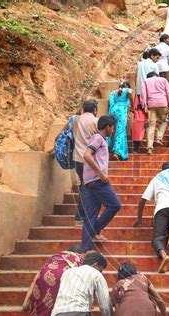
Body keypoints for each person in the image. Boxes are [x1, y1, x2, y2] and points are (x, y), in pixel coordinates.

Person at [134, 162, 169, 273]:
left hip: (162, 208)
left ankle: (164, 256)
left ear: (162, 170)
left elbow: (142, 200)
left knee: (157, 237)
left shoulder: (157, 179)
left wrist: (139, 219)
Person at [81, 115, 122, 252]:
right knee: (115, 204)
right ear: (108, 127)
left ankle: (85, 248)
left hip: (90, 181)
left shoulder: (99, 139)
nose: (113, 130)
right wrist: (100, 173)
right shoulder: (98, 138)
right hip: (97, 180)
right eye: (112, 127)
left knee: (91, 214)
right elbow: (87, 155)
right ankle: (95, 230)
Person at [22, 246, 84, 315]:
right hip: (61, 277)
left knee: (41, 304)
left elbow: (35, 279)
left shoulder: (56, 256)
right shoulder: (79, 258)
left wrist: (26, 301)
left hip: (44, 274)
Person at [71, 100, 98, 226]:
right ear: (95, 110)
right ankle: (80, 217)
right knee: (86, 187)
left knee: (84, 184)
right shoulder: (95, 121)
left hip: (76, 157)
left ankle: (84, 215)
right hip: (88, 159)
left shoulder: (76, 120)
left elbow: (71, 133)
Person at [140, 72, 169, 155]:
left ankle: (149, 147)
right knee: (164, 121)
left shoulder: (145, 81)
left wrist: (144, 106)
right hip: (163, 103)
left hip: (151, 105)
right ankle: (158, 138)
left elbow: (143, 94)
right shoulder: (163, 80)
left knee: (150, 126)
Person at [108, 81, 133, 161]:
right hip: (121, 112)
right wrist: (132, 106)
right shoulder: (128, 90)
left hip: (113, 111)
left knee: (112, 130)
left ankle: (109, 147)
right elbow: (129, 93)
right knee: (120, 131)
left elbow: (111, 104)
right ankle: (117, 152)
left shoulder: (112, 92)